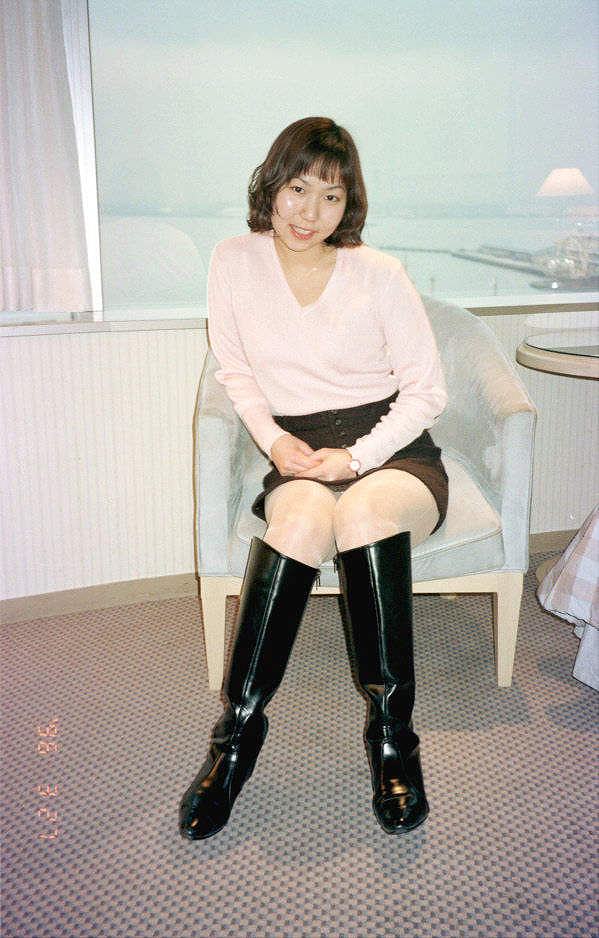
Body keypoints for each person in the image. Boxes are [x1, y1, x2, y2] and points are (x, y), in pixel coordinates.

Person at [179, 116, 448, 840]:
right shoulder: (233, 260)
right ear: (271, 185)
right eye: (298, 189)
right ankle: (234, 742)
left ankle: (393, 739)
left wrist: (355, 458)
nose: (310, 212)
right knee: (297, 522)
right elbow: (235, 371)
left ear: (348, 204)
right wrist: (274, 442)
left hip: (389, 447)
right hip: (296, 447)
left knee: (361, 515)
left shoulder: (378, 272)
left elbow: (426, 391)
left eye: (331, 197)